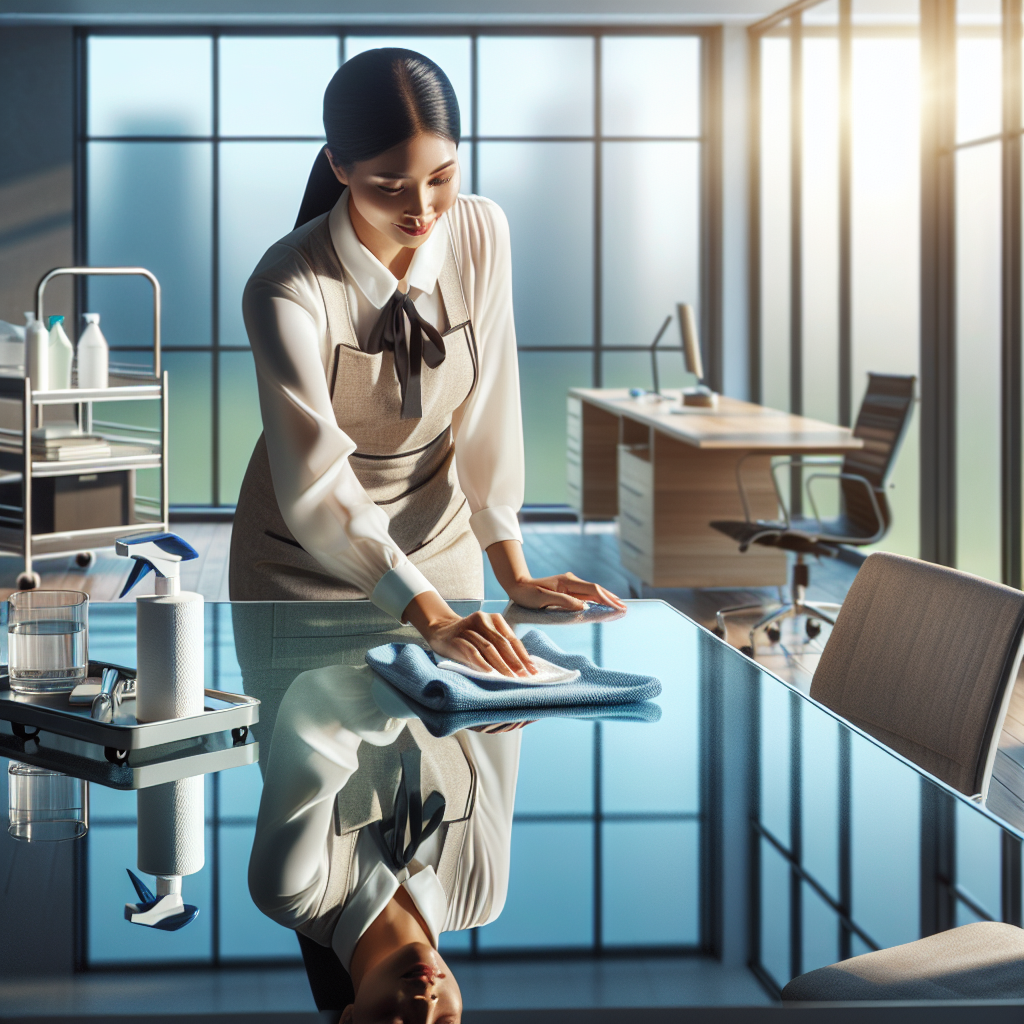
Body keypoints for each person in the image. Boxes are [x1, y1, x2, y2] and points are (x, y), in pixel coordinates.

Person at [229, 48, 624, 677]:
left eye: (442, 177)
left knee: (456, 764)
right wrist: (430, 615)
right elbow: (315, 485)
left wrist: (512, 571)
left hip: (442, 544)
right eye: (390, 186)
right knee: (318, 754)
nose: (422, 208)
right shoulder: (285, 288)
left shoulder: (480, 231)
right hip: (302, 561)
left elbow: (489, 403)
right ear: (338, 166)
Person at [248, 662, 524, 1023]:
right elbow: (497, 718)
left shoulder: (293, 892)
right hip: (448, 624)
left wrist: (449, 694)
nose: (426, 1003)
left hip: (309, 617)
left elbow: (318, 699)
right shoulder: (479, 895)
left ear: (348, 1019)